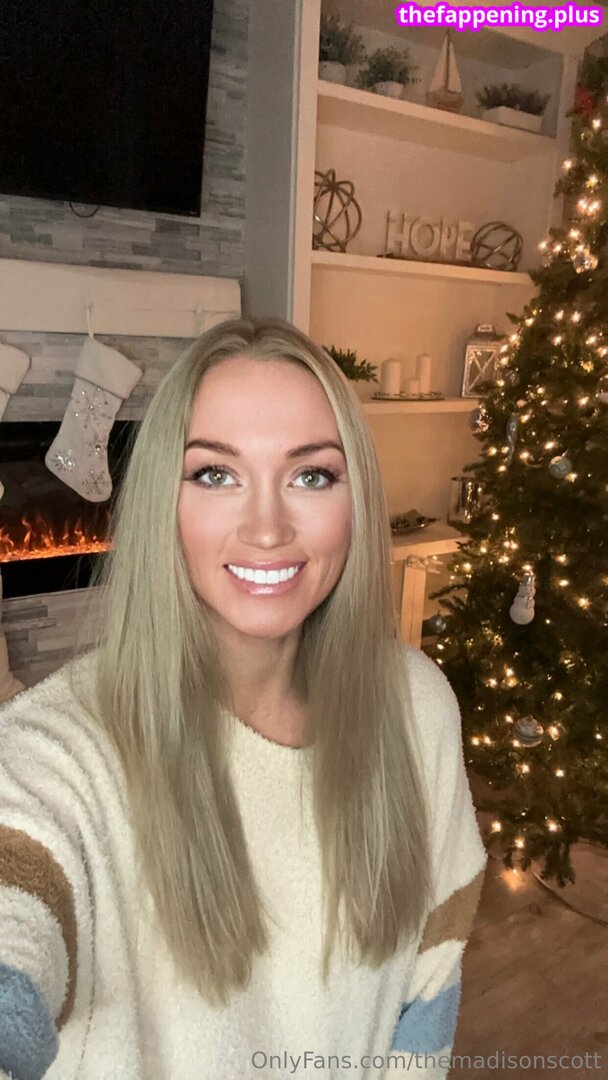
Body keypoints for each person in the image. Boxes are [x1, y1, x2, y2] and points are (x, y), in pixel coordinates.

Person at [0, 316, 487, 1080]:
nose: (266, 529)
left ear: (356, 499)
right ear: (163, 501)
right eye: (215, 474)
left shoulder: (417, 707)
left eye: (311, 476)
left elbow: (429, 984)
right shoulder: (58, 755)